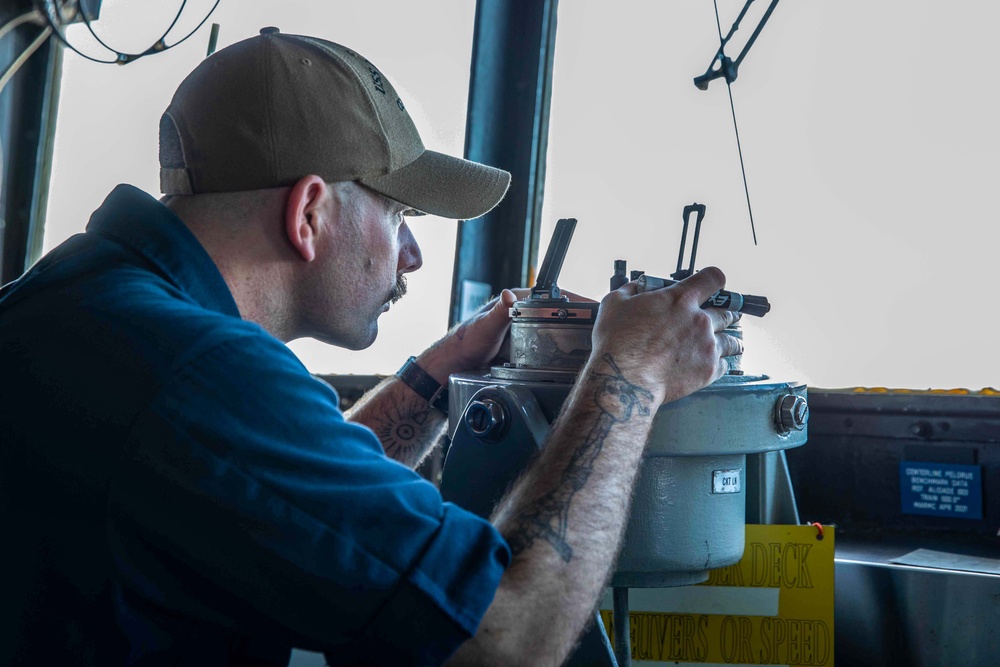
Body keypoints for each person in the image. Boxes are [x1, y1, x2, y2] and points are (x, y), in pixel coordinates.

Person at [0, 28, 741, 666]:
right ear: (310, 212)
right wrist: (629, 369)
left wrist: (440, 368)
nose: (413, 254)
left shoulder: (80, 302)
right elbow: (502, 639)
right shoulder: (205, 376)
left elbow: (284, 491)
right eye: (399, 213)